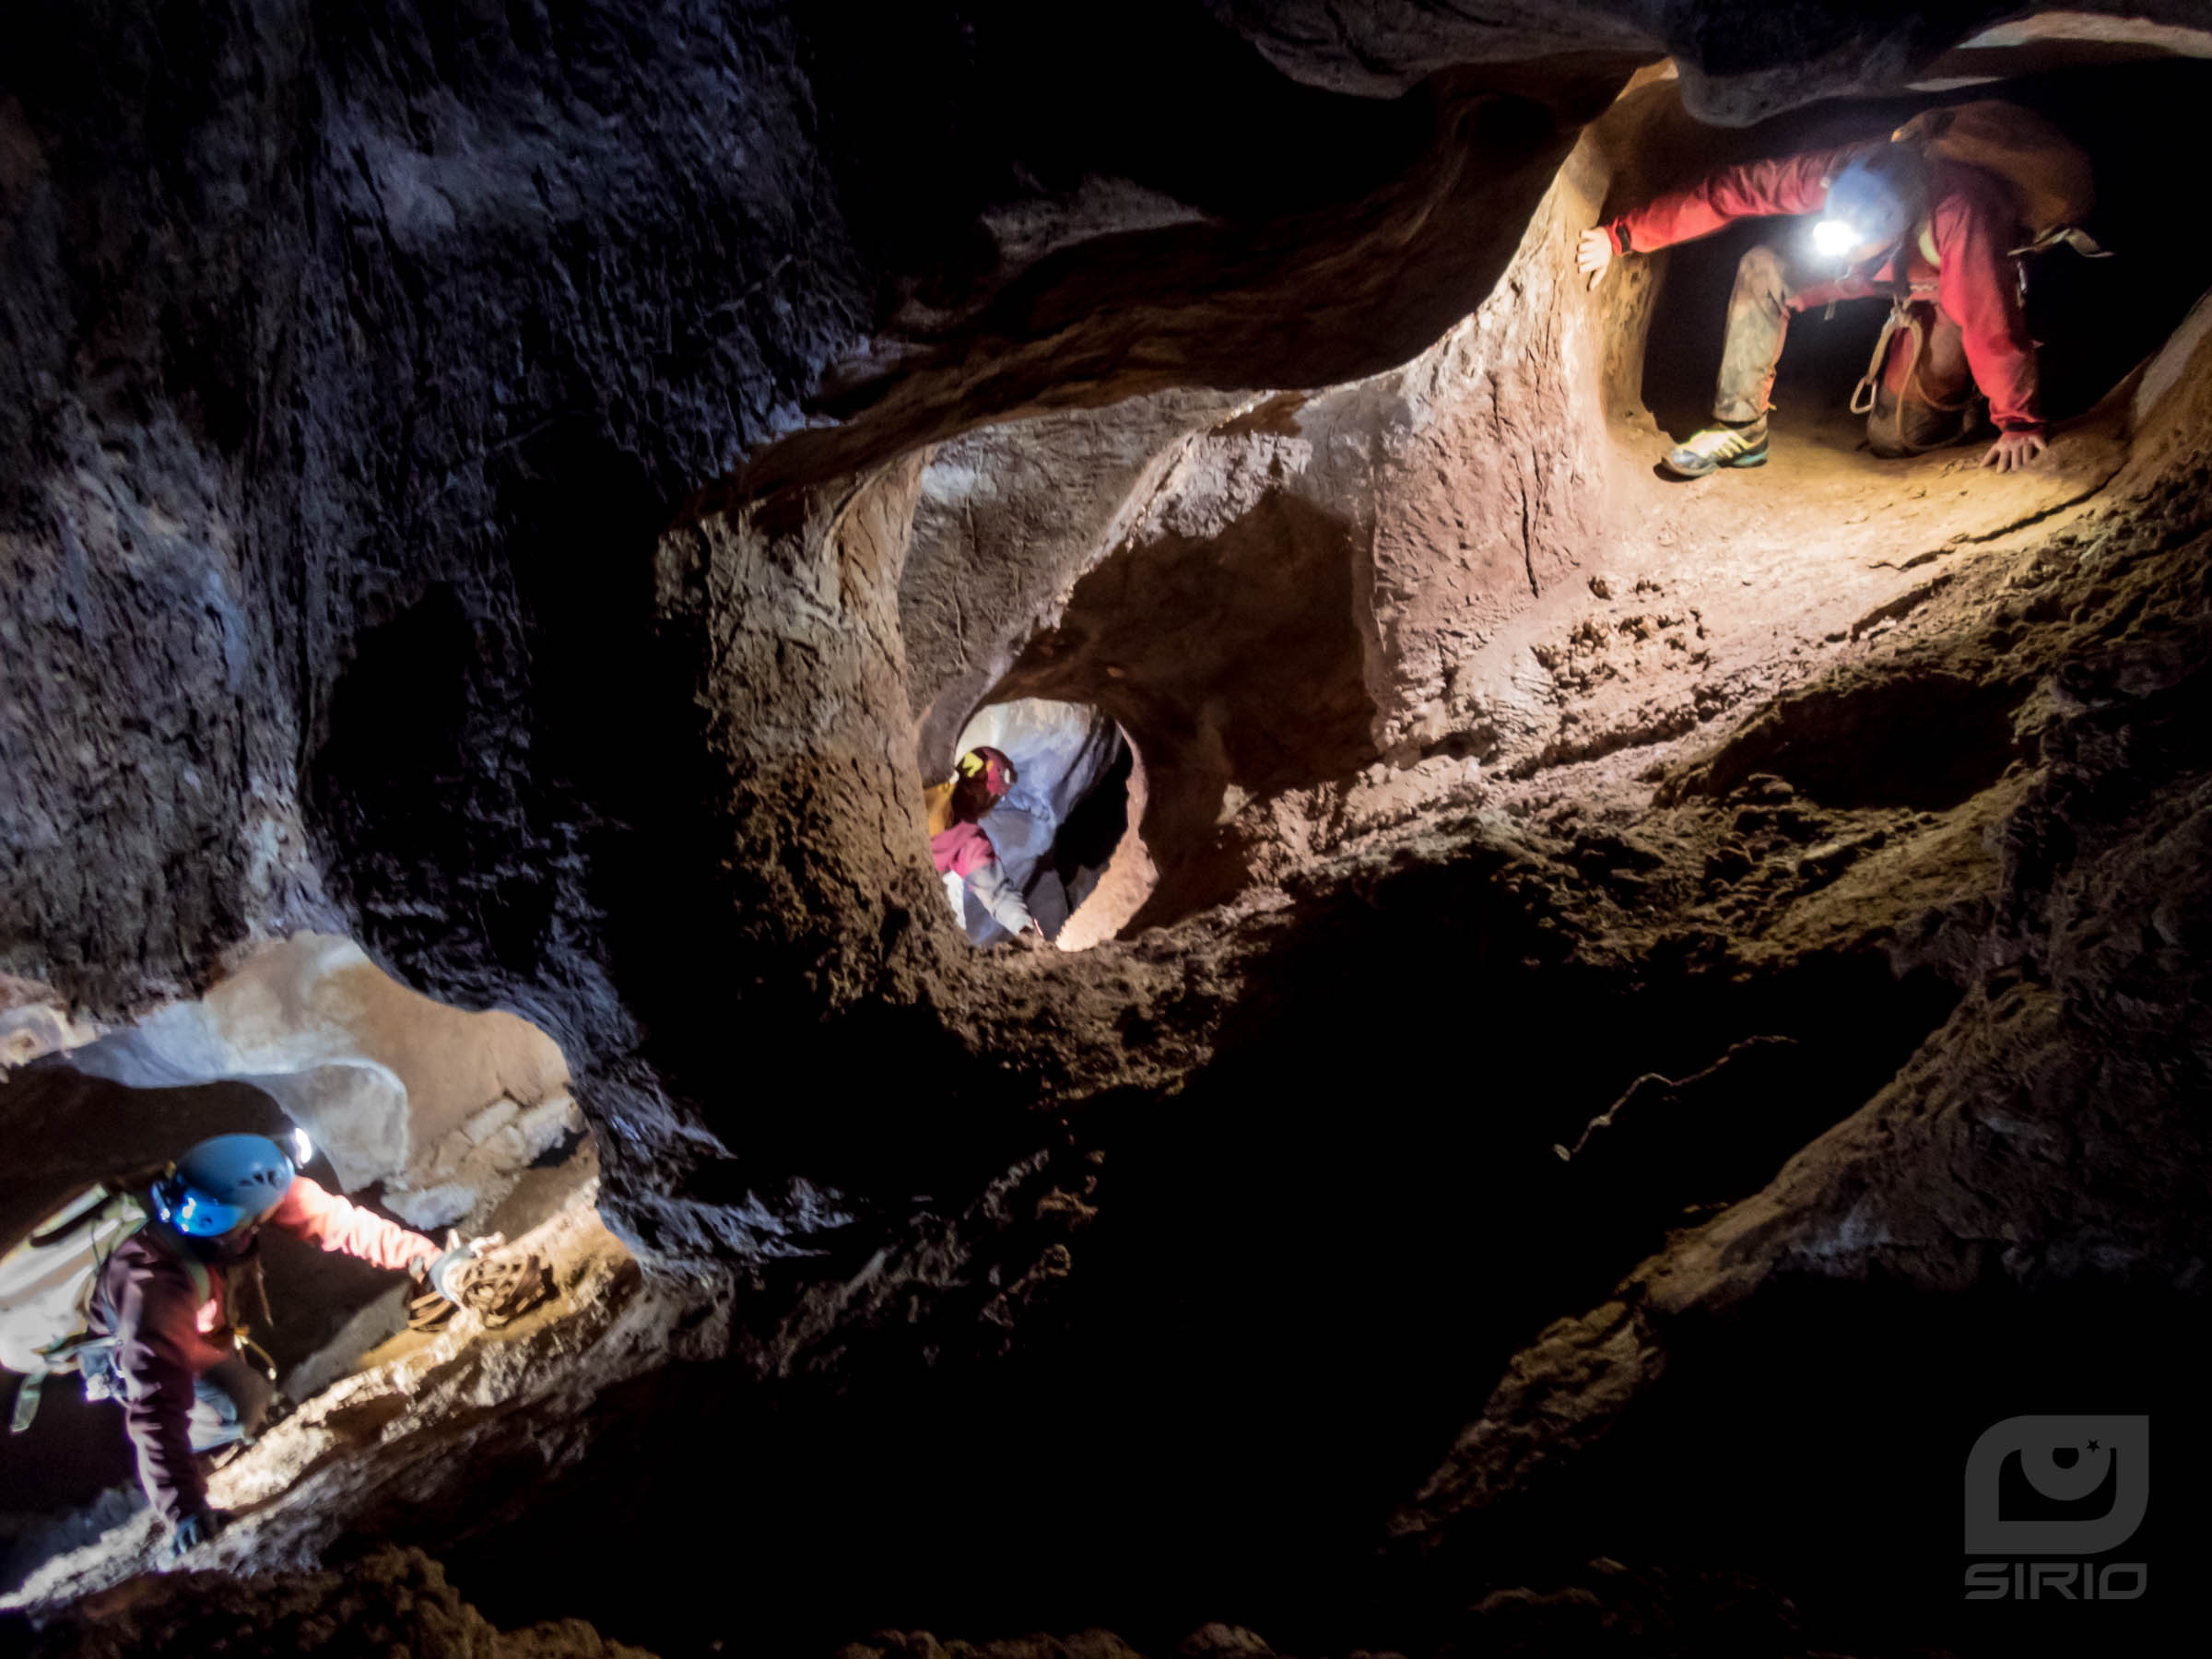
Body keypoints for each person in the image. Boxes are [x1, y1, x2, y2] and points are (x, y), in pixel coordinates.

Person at [80, 1134, 490, 1559]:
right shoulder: (155, 1288)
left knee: (232, 1372)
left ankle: (213, 1420)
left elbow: (339, 1223)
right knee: (242, 1399)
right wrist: (184, 1508)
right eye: (242, 1232)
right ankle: (204, 1444)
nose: (251, 1235)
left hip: (198, 1324)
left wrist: (428, 1259)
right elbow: (156, 1401)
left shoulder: (243, 1192)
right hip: (143, 1353)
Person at [1578, 138, 2051, 477]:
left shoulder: (1961, 211)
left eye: (1858, 240)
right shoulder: (1838, 173)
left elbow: (1991, 320)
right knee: (1765, 267)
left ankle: (1968, 404)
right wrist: (1621, 236)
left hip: (1947, 286)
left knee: (1897, 439)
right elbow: (1730, 191)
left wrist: (2017, 422)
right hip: (1879, 270)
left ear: (1892, 229)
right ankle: (1740, 429)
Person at [925, 746, 1046, 945]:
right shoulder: (967, 835)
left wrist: (1023, 925)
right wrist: (1025, 928)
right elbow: (996, 892)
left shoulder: (927, 786)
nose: (993, 803)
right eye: (994, 797)